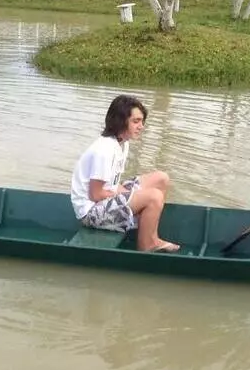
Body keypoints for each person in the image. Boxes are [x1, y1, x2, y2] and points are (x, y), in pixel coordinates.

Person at [70, 95, 180, 253]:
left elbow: (112, 185)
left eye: (142, 121)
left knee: (161, 179)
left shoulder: (122, 143)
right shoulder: (104, 150)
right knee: (154, 196)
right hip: (91, 213)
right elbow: (95, 194)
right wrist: (129, 194)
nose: (141, 126)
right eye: (136, 121)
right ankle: (147, 245)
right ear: (120, 121)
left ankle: (150, 234)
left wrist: (127, 193)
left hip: (105, 198)